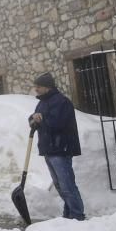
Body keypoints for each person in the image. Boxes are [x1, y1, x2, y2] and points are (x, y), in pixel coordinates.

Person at [29, 72, 85, 220]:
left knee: (67, 185)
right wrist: (33, 119)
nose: (36, 89)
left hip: (61, 148)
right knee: (60, 186)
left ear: (47, 87)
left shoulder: (62, 102)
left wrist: (42, 120)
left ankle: (77, 215)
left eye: (38, 86)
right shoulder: (42, 102)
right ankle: (68, 214)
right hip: (49, 149)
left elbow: (58, 124)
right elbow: (34, 118)